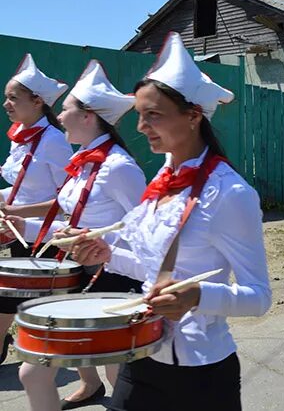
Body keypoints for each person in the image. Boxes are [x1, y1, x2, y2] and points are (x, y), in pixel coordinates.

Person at [70, 33, 271, 411]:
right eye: (140, 115)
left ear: (193, 116)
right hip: (142, 351)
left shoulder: (231, 194)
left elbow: (259, 297)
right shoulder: (161, 180)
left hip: (201, 373)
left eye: (154, 115)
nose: (141, 126)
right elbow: (154, 271)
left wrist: (199, 296)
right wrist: (106, 253)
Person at [1, 60, 147, 411]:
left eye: (65, 110)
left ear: (88, 116)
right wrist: (26, 226)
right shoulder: (83, 159)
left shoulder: (120, 168)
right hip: (80, 271)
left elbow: (143, 230)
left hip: (114, 280)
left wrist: (101, 245)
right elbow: (71, 219)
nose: (59, 116)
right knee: (33, 374)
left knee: (120, 378)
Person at [0, 54, 71, 365]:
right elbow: (19, 190)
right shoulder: (21, 138)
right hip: (19, 230)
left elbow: (68, 202)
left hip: (43, 237)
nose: (6, 104)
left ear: (38, 101)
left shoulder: (54, 141)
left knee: (22, 301)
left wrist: (20, 213)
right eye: (6, 98)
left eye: (13, 98)